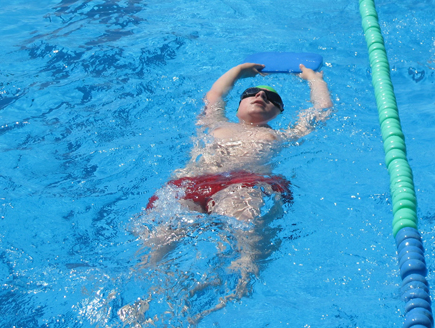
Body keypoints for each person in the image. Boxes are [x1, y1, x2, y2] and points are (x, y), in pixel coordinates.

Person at [124, 62, 332, 324]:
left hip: (242, 184)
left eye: (271, 98)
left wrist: (314, 79)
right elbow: (215, 95)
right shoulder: (214, 124)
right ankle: (141, 294)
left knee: (247, 237)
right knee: (162, 238)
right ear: (237, 107)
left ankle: (224, 293)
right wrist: (238, 71)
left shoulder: (280, 135)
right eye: (251, 93)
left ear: (278, 111)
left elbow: (320, 112)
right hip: (193, 184)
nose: (260, 96)